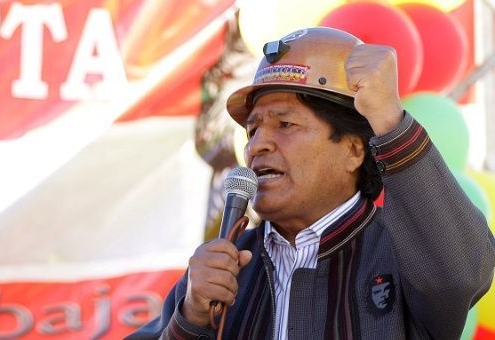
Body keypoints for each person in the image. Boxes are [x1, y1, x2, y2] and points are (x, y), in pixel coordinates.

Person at [127, 27, 495, 339]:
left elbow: (463, 273)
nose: (258, 145)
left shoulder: (400, 253)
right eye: (252, 130)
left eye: (285, 124)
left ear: (353, 150)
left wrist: (390, 121)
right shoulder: (226, 265)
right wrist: (190, 320)